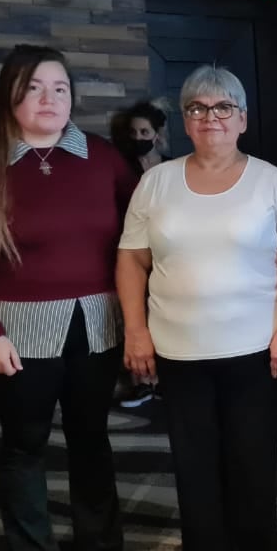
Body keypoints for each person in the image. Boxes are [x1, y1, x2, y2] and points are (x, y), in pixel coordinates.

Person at [0, 44, 135, 551]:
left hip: (99, 327)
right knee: (25, 446)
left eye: (60, 88)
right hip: (15, 336)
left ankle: (101, 542)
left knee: (91, 440)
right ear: (10, 95)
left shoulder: (105, 160)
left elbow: (142, 238)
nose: (49, 98)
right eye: (34, 87)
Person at [115, 65, 277, 551]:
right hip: (179, 354)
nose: (211, 117)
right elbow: (131, 264)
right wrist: (136, 331)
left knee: (252, 466)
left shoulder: (270, 181)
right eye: (198, 108)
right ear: (184, 121)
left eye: (224, 107)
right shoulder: (156, 183)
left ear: (242, 118)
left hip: (255, 352)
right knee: (194, 470)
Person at [108, 98, 175, 408]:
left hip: (167, 251)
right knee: (136, 315)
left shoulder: (174, 167)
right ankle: (140, 381)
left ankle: (163, 378)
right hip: (133, 248)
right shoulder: (122, 166)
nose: (138, 139)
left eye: (144, 132)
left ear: (158, 134)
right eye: (134, 133)